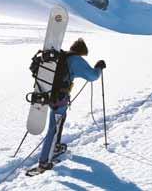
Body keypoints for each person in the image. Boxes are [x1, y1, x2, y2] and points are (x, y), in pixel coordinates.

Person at [38, 38, 106, 172]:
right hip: (60, 98)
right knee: (54, 127)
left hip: (49, 95)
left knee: (59, 122)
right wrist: (99, 67)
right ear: (81, 52)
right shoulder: (75, 60)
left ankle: (56, 147)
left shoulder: (62, 56)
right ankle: (44, 161)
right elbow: (92, 76)